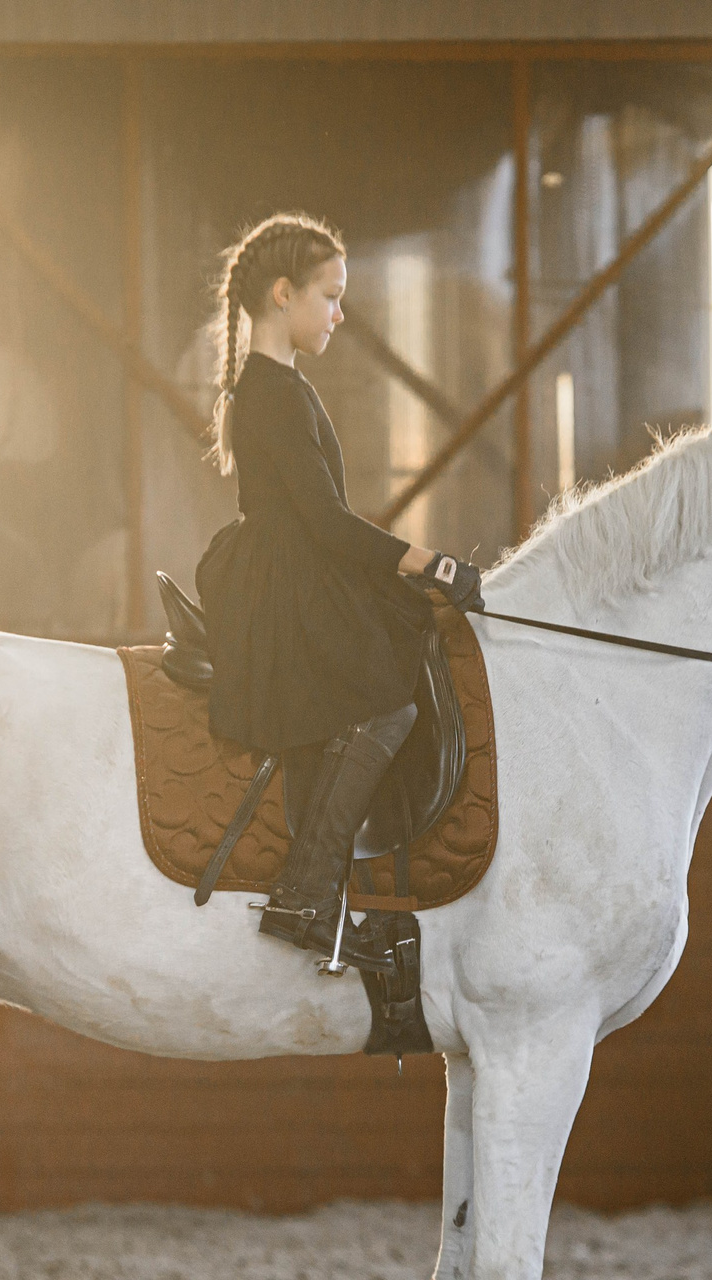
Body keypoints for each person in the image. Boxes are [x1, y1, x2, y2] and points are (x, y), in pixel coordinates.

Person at [195, 213, 482, 958]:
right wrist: (432, 563)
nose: (339, 314)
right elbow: (326, 522)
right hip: (285, 583)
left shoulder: (278, 386)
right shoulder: (274, 393)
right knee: (386, 705)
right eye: (329, 296)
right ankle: (307, 891)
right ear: (282, 294)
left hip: (296, 567)